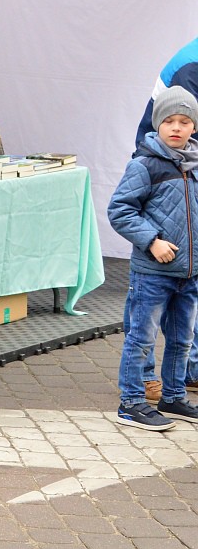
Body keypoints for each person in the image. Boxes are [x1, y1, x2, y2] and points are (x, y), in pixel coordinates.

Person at [108, 86, 198, 430]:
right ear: (158, 125)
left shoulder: (195, 163)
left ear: (193, 127)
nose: (176, 127)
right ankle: (131, 403)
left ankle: (174, 396)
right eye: (169, 121)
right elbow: (120, 210)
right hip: (153, 272)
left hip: (189, 273)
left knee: (181, 339)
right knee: (141, 338)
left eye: (185, 121)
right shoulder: (145, 164)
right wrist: (153, 241)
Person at [133, 41, 198, 403]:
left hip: (184, 180)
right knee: (149, 303)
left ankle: (188, 372)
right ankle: (141, 381)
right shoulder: (192, 69)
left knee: (188, 293)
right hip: (166, 178)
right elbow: (181, 133)